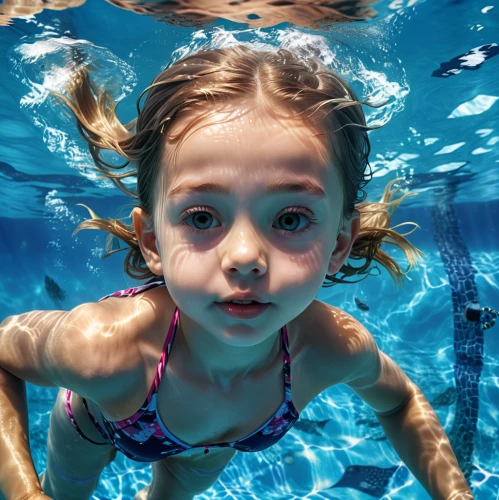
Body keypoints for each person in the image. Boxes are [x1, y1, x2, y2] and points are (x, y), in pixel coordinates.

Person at [0, 45, 471, 500]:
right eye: (202, 218)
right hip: (94, 425)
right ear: (151, 242)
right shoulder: (103, 349)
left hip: (207, 454)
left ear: (339, 243)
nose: (245, 256)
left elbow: (401, 400)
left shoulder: (331, 348)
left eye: (289, 219)